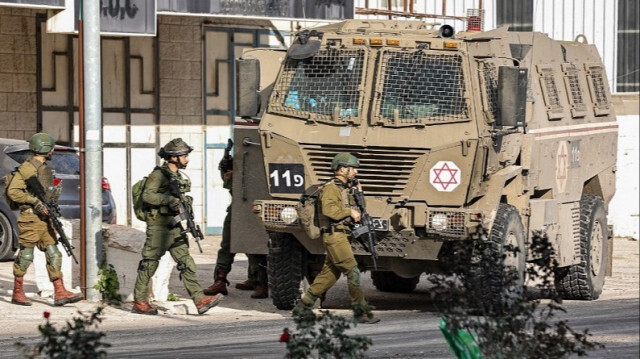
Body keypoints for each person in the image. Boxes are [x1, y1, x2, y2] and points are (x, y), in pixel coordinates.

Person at [132, 138, 222, 315]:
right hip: (158, 227)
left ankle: (200, 300)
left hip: (174, 227)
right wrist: (169, 200)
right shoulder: (158, 175)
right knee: (150, 263)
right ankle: (139, 301)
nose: (187, 159)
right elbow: (148, 196)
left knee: (186, 262)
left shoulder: (176, 176)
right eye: (184, 156)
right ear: (173, 158)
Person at [294, 152, 379, 324]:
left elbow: (358, 211)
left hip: (342, 235)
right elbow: (329, 211)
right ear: (341, 169)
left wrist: (359, 195)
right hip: (335, 236)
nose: (355, 172)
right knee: (353, 271)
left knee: (330, 274)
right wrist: (349, 212)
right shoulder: (331, 187)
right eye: (352, 168)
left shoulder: (345, 189)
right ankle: (360, 312)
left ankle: (304, 304)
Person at [8, 133, 82, 306]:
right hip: (31, 218)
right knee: (26, 255)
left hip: (45, 218)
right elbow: (13, 191)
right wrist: (35, 202)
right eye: (51, 147)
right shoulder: (27, 169)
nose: (53, 150)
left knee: (54, 253)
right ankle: (17, 292)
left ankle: (60, 292)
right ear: (45, 148)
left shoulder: (44, 167)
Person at [203, 157, 268, 299]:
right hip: (237, 210)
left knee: (255, 248)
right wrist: (232, 174)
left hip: (254, 209)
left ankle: (260, 283)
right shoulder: (238, 166)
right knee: (227, 246)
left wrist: (237, 175)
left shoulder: (257, 165)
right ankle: (220, 280)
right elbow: (230, 187)